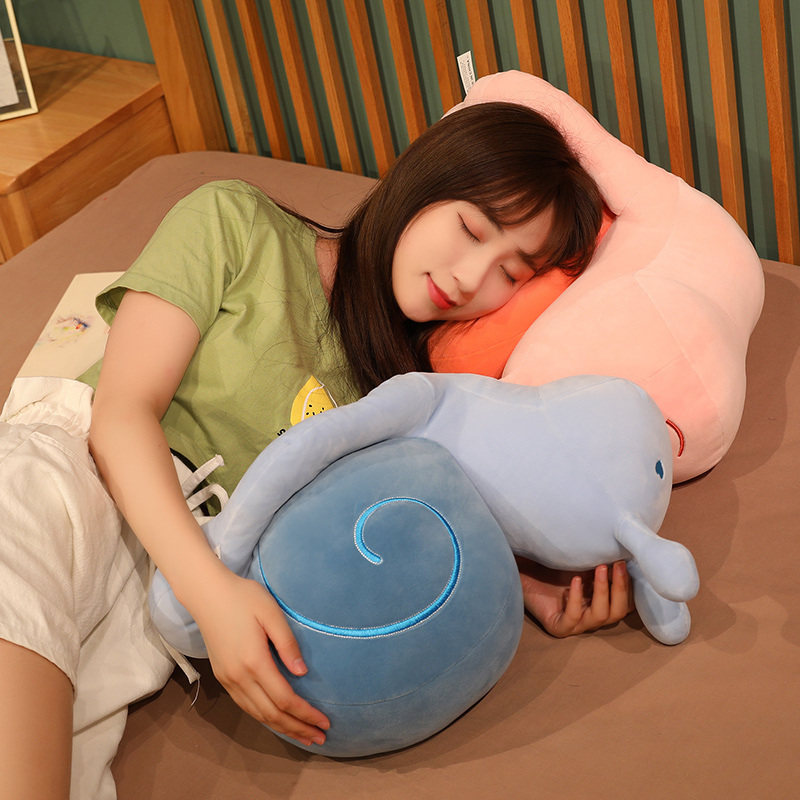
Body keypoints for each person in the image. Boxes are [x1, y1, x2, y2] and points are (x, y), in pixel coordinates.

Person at [0, 101, 631, 799]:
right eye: (470, 229)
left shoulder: (403, 398)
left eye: (510, 273)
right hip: (68, 482)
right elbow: (120, 415)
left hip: (155, 596)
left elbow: (407, 524)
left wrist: (523, 588)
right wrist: (212, 594)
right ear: (424, 179)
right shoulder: (235, 223)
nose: (469, 277)